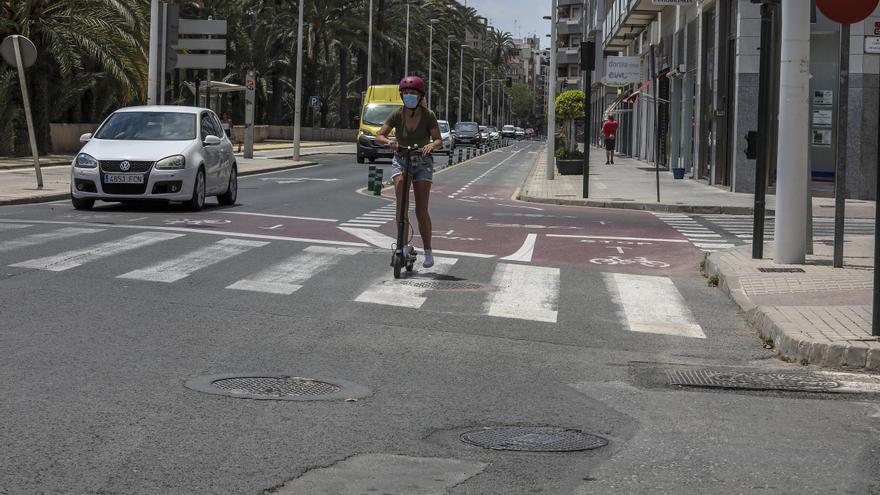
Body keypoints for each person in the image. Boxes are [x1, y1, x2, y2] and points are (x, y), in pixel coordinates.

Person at [375, 76, 442, 269]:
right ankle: (402, 247)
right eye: (405, 94)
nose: (408, 96)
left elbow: (438, 140)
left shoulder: (428, 115)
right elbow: (380, 134)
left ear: (420, 96)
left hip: (422, 162)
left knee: (421, 209)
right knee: (401, 207)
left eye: (412, 93)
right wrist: (390, 142)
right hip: (401, 160)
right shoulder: (397, 114)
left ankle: (428, 250)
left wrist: (431, 145)